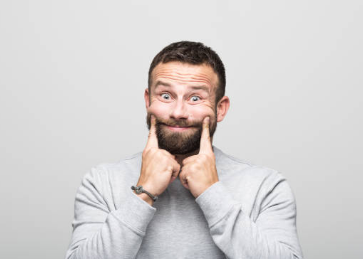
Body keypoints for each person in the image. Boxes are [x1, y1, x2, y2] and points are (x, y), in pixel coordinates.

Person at [66, 41, 303, 259]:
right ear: (148, 101)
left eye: (195, 98)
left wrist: (212, 193)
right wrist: (143, 193)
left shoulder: (266, 186)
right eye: (166, 95)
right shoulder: (100, 182)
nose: (178, 112)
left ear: (221, 109)